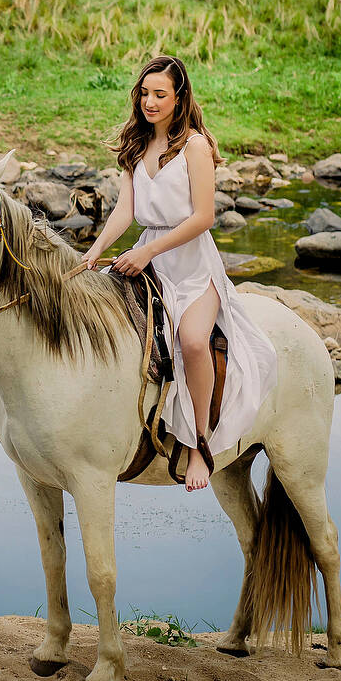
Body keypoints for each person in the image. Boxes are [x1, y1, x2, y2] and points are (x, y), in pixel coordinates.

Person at [80, 55, 278, 493]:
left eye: (160, 95)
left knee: (190, 341)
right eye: (145, 93)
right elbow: (126, 210)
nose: (150, 102)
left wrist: (147, 250)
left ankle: (200, 444)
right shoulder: (136, 146)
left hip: (191, 263)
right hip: (150, 256)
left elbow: (204, 217)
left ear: (179, 97)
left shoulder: (195, 147)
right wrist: (94, 252)